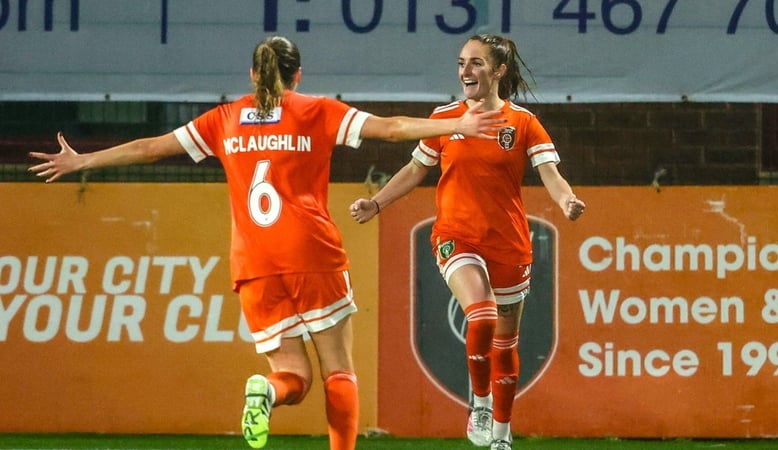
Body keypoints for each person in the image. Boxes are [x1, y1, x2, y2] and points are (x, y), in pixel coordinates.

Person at [28, 35, 504, 450]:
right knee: (338, 370)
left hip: (253, 264)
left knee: (293, 378)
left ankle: (266, 391)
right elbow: (393, 126)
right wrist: (453, 125)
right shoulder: (315, 111)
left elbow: (150, 147)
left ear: (252, 73)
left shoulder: (224, 119)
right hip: (311, 253)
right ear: (298, 76)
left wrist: (83, 161)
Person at [349, 34, 585, 450]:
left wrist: (565, 198)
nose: (465, 71)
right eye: (461, 63)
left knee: (507, 343)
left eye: (476, 63)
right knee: (482, 314)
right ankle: (479, 400)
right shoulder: (446, 118)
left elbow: (550, 173)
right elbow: (415, 168)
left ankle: (502, 433)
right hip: (456, 238)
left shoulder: (523, 123)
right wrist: (377, 202)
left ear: (498, 71)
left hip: (510, 246)